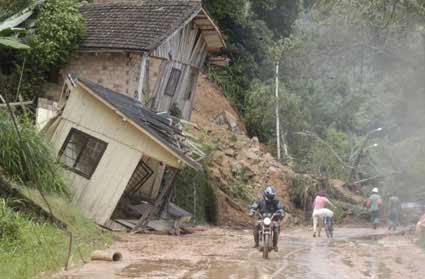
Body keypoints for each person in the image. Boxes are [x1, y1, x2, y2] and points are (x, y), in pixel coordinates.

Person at [249, 186, 285, 252]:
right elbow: (253, 206)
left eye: (272, 195)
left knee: (276, 227)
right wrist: (252, 211)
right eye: (270, 195)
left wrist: (281, 212)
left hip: (272, 220)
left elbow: (280, 208)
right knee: (256, 225)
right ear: (266, 194)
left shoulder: (276, 202)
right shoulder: (260, 201)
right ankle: (256, 243)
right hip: (261, 219)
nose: (271, 197)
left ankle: (275, 245)